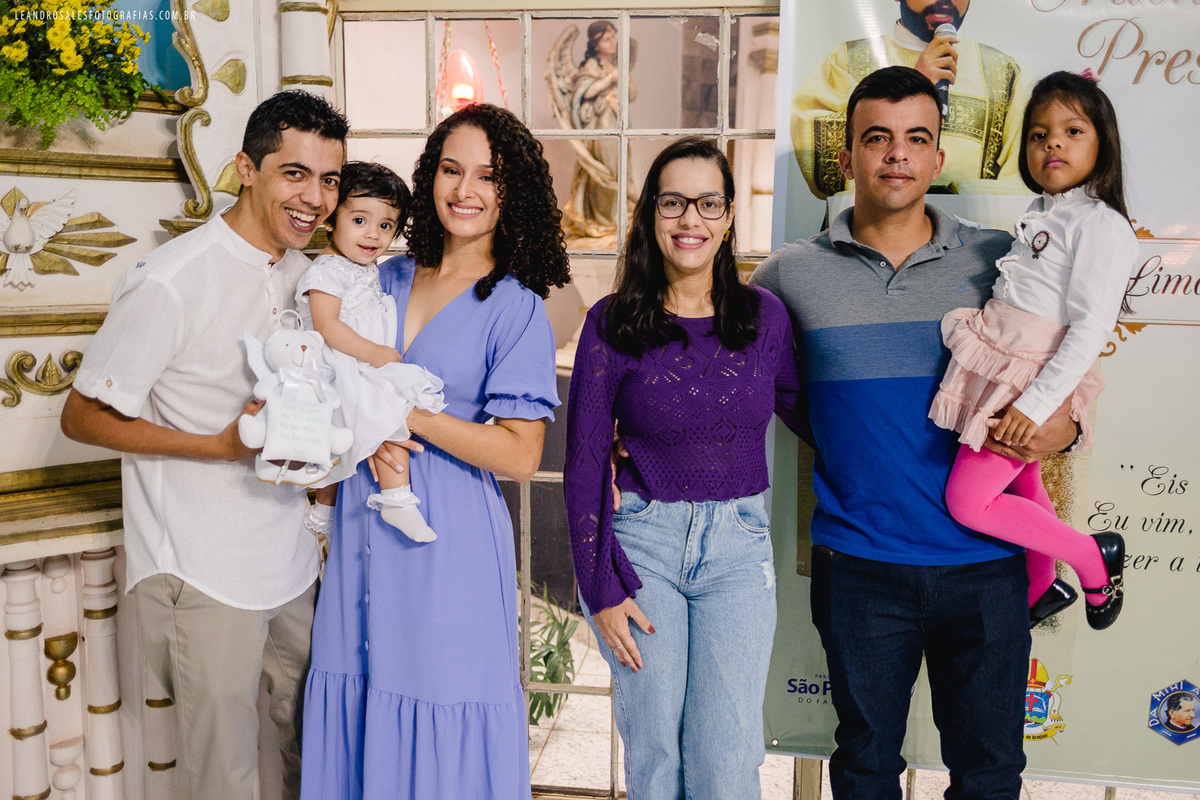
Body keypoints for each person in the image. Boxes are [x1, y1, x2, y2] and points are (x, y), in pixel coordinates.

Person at [752, 66, 1079, 800]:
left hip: (989, 567)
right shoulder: (789, 275)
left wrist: (1061, 427)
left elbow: (1065, 368)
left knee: (990, 773)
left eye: (916, 139)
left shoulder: (1002, 259)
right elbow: (739, 378)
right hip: (859, 566)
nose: (896, 155)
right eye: (877, 138)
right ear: (848, 160)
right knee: (865, 767)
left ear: (937, 159)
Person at [59, 90, 348, 800]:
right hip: (202, 568)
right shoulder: (172, 281)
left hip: (289, 563)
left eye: (330, 179)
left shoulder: (306, 276)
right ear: (246, 169)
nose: (315, 198)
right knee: (224, 775)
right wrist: (216, 448)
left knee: (311, 748)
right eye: (295, 173)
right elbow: (81, 416)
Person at [300, 103, 570, 800]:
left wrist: (402, 410)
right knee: (359, 695)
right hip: (362, 527)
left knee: (441, 704)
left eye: (488, 176)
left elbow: (518, 455)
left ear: (513, 195)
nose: (465, 190)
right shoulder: (379, 277)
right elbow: (327, 369)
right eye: (451, 169)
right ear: (429, 178)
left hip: (446, 547)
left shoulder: (516, 308)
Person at [564, 137, 806, 800]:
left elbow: (814, 415)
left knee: (727, 760)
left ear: (729, 217)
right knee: (655, 756)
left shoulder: (766, 320)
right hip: (643, 549)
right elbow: (583, 460)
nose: (689, 219)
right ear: (650, 216)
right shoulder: (610, 324)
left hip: (738, 550)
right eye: (673, 202)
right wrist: (599, 589)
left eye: (707, 203)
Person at [929, 70, 1138, 630]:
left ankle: (1093, 558)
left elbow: (1091, 328)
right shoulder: (1048, 212)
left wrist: (1036, 405)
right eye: (1041, 133)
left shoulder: (1101, 223)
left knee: (969, 502)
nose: (1054, 144)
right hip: (1002, 354)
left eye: (1073, 131)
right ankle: (1042, 586)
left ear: (1102, 143)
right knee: (1024, 480)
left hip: (1029, 376)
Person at [296, 161, 446, 543]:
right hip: (343, 363)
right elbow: (327, 325)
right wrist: (375, 353)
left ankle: (325, 511)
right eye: (360, 220)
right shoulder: (328, 269)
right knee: (390, 413)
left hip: (358, 360)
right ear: (331, 218)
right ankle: (396, 500)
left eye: (385, 225)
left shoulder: (362, 266)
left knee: (370, 430)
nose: (373, 235)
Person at [791, 0, 1031, 199]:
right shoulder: (846, 60)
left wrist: (957, 196)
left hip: (964, 241)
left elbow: (1020, 182)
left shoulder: (1003, 73)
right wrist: (916, 85)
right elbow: (820, 158)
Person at [552, 19, 637, 248]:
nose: (612, 42)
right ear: (595, 43)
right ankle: (601, 222)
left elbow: (632, 95)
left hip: (619, 127)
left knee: (621, 171)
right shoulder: (590, 66)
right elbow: (583, 91)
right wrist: (610, 79)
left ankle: (615, 220)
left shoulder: (616, 66)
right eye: (607, 38)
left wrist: (623, 78)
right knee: (604, 172)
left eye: (613, 37)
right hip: (601, 129)